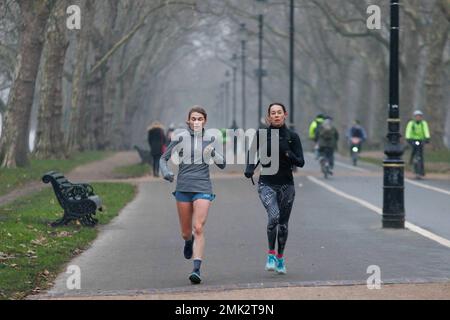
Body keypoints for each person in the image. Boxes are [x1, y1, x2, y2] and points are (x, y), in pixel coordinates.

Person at [160, 106, 226, 284]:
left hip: (203, 186)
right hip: (183, 187)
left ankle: (196, 269)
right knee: (186, 232)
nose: (196, 121)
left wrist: (211, 152)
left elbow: (222, 164)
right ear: (188, 121)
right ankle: (188, 242)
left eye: (200, 118)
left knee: (198, 227)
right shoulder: (180, 138)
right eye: (193, 119)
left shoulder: (211, 139)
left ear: (205, 120)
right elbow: (163, 158)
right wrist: (166, 172)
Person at [244, 103, 305, 275]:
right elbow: (252, 154)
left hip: (287, 185)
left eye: (279, 112)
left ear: (285, 114)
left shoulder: (293, 137)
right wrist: (249, 168)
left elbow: (301, 161)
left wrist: (289, 154)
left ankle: (280, 257)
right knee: (274, 217)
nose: (276, 115)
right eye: (273, 113)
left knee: (283, 225)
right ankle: (270, 254)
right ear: (269, 117)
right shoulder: (261, 135)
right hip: (266, 184)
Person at [405, 110, 431, 178]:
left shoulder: (423, 123)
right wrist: (408, 138)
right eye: (417, 116)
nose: (418, 118)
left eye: (419, 116)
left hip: (421, 140)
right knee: (414, 150)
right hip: (413, 139)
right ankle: (411, 160)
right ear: (414, 117)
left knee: (421, 154)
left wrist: (427, 138)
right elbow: (408, 131)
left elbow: (426, 130)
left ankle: (421, 171)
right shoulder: (411, 123)